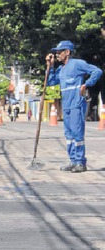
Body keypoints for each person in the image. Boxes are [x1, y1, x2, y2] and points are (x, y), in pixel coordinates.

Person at [46, 40, 102, 173]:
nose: (58, 54)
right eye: (57, 53)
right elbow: (50, 82)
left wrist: (86, 84)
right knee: (69, 135)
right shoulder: (60, 69)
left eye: (60, 52)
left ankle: (80, 162)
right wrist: (50, 66)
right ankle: (72, 161)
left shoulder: (77, 64)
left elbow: (97, 71)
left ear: (67, 52)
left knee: (77, 134)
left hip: (77, 104)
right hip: (66, 106)